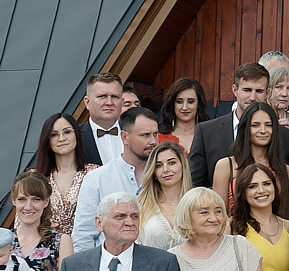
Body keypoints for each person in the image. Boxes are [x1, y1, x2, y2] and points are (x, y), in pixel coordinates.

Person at [190, 63, 289, 189]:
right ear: (235, 90)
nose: (252, 97)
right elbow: (196, 186)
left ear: (267, 92)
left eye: (259, 91)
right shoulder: (206, 132)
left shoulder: (288, 138)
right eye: (247, 90)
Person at [73, 106, 160, 251]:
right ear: (125, 137)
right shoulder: (97, 178)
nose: (153, 141)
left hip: (158, 266)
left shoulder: (165, 176)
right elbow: (83, 236)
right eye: (145, 135)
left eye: (155, 134)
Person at [214, 102, 289, 217]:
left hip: (278, 233)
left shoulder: (288, 172)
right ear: (245, 128)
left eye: (268, 125)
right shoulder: (225, 166)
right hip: (236, 232)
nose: (263, 130)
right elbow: (218, 214)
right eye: (255, 125)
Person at [32, 111, 103, 239]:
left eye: (67, 132)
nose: (61, 138)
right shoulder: (35, 177)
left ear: (77, 134)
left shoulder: (95, 173)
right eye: (54, 135)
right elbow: (21, 222)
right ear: (47, 141)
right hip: (45, 249)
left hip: (85, 249)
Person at [136, 140, 190, 249]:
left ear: (182, 165)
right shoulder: (140, 205)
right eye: (159, 165)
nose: (165, 170)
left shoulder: (197, 202)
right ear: (153, 172)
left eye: (171, 163)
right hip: (151, 265)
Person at [80, 72, 127, 162]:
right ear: (87, 102)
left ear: (122, 101)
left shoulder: (134, 133)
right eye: (102, 96)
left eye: (115, 97)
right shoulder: (74, 137)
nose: (109, 102)